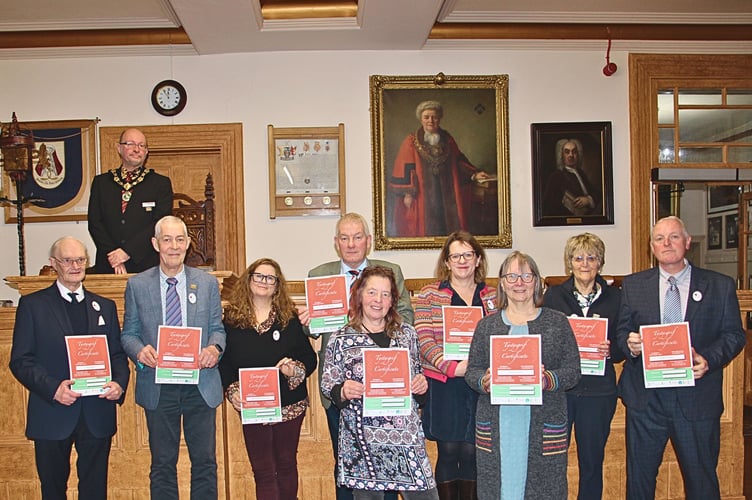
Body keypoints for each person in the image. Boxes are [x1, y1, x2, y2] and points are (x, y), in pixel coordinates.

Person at [616, 216, 746, 500]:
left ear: (687, 242)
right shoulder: (634, 285)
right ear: (652, 247)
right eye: (659, 238)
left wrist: (708, 359)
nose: (666, 243)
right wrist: (630, 344)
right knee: (639, 482)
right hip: (646, 401)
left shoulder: (719, 286)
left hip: (697, 400)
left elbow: (735, 335)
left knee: (701, 482)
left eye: (674, 237)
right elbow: (621, 331)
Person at [298, 212, 413, 500]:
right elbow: (312, 334)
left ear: (368, 241)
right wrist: (308, 323)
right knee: (345, 464)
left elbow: (407, 318)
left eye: (357, 237)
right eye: (345, 238)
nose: (351, 244)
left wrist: (374, 320)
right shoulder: (318, 275)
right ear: (336, 243)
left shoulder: (391, 271)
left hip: (384, 383)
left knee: (387, 460)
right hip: (339, 387)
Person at [9, 236, 129, 500]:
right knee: (52, 491)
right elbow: (20, 360)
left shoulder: (105, 307)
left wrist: (119, 383)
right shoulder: (33, 306)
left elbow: (118, 355)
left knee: (95, 490)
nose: (75, 265)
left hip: (96, 413)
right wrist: (53, 388)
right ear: (53, 264)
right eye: (67, 260)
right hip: (52, 412)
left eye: (81, 259)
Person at [120, 215, 226, 500]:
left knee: (204, 463)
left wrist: (214, 349)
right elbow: (128, 334)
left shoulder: (206, 284)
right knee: (163, 464)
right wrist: (140, 351)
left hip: (200, 385)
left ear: (189, 244)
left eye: (180, 239)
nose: (174, 246)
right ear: (155, 244)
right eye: (167, 240)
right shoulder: (137, 285)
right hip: (159, 386)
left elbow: (218, 330)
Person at [465, 251, 581, 499]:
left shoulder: (557, 322)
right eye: (512, 276)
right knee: (499, 488)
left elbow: (573, 371)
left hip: (543, 422)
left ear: (537, 282)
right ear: (503, 283)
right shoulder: (487, 326)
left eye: (527, 276)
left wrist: (547, 379)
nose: (520, 283)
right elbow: (472, 371)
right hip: (498, 423)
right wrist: (482, 380)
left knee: (544, 489)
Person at [321, 265, 438, 500]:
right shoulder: (341, 338)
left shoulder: (408, 335)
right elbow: (329, 385)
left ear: (393, 300)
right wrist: (343, 391)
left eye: (386, 294)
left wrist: (421, 387)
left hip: (406, 439)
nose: (378, 300)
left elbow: (418, 386)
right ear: (360, 295)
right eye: (372, 292)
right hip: (362, 443)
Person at [219, 258, 317, 500]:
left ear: (277, 285)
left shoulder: (289, 318)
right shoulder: (230, 319)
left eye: (270, 278)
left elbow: (309, 358)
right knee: (262, 470)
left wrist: (294, 369)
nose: (264, 282)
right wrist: (233, 392)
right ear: (249, 280)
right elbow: (225, 363)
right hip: (253, 405)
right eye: (259, 276)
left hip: (289, 403)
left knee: (286, 464)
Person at [415, 231, 497, 500]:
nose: (462, 260)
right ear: (447, 262)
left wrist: (481, 369)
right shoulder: (429, 294)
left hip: (481, 385)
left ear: (477, 259)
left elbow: (503, 338)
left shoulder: (494, 297)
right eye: (456, 255)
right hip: (444, 384)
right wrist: (449, 366)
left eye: (468, 254)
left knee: (474, 452)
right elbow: (423, 337)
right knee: (449, 451)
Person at [542, 233, 624, 500]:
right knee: (553, 461)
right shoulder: (554, 296)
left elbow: (625, 341)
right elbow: (542, 339)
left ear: (600, 262)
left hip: (599, 392)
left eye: (591, 257)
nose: (585, 263)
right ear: (570, 263)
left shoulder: (616, 298)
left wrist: (614, 349)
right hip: (561, 392)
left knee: (591, 462)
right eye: (578, 258)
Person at [389, 100, 493, 237]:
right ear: (421, 119)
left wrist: (474, 174)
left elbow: (458, 161)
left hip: (446, 193)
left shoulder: (448, 139)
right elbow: (404, 168)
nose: (430, 121)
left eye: (434, 117)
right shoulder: (411, 141)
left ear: (440, 119)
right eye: (426, 117)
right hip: (422, 194)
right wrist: (407, 193)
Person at [88, 128, 173, 274]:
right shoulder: (102, 183)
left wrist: (127, 252)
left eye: (141, 145)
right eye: (130, 144)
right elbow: (95, 223)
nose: (136, 149)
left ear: (146, 152)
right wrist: (114, 256)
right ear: (119, 148)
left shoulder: (160, 184)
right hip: (109, 265)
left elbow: (159, 224)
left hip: (146, 266)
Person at [542, 138, 599, 217]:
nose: (571, 155)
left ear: (578, 155)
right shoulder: (555, 177)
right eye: (567, 152)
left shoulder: (581, 173)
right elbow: (549, 206)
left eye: (574, 152)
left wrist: (588, 200)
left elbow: (596, 193)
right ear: (561, 155)